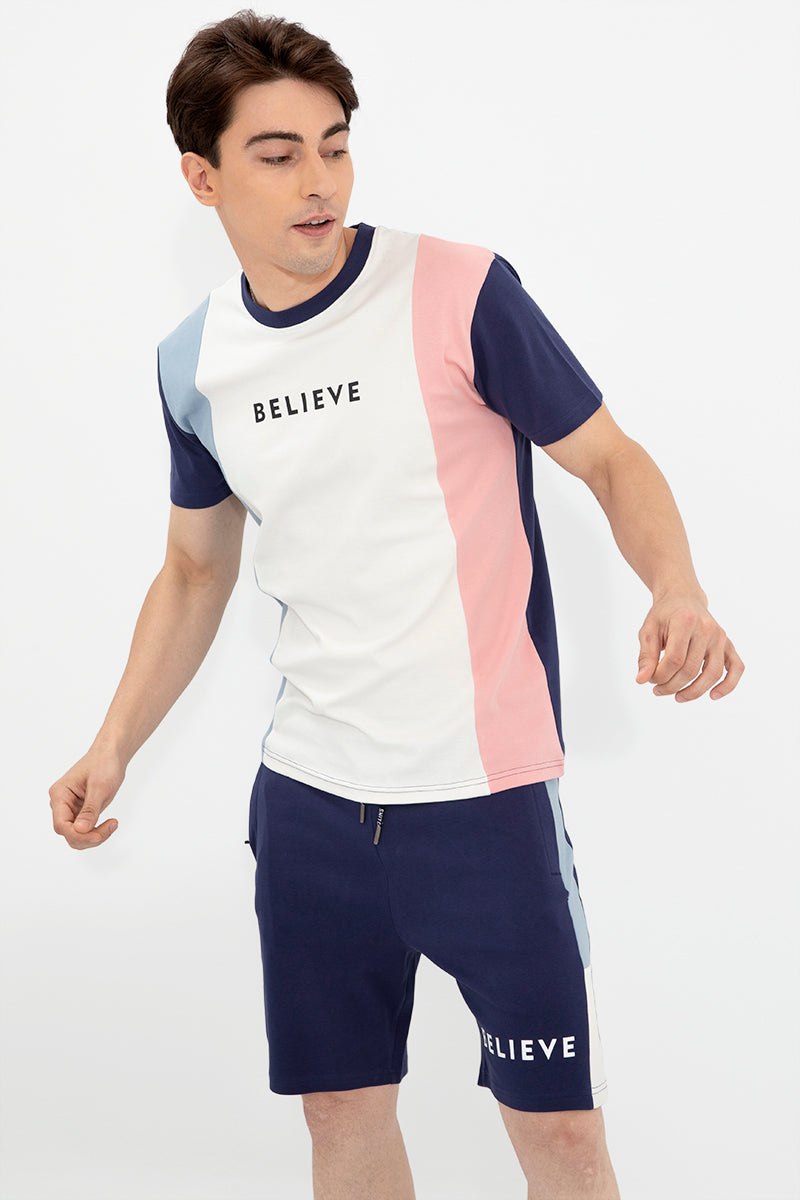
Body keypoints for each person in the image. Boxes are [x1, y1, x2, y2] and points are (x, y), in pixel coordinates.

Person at [49, 11, 744, 1199]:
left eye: (334, 146)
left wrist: (675, 586)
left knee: (561, 1136)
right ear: (202, 178)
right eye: (277, 156)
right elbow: (195, 571)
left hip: (484, 800)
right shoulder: (191, 361)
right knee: (339, 1115)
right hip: (310, 804)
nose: (318, 182)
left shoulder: (458, 290)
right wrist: (112, 745)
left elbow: (609, 458)